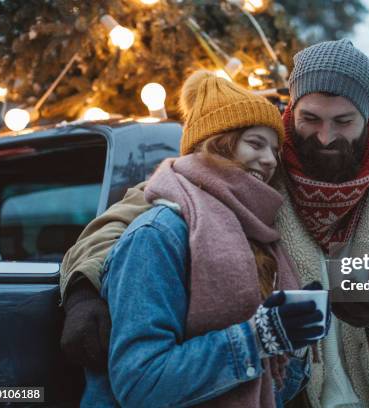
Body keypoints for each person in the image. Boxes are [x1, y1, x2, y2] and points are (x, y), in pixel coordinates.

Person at [61, 39, 369, 408]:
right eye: (311, 118)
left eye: (343, 121)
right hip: (281, 395)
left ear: (368, 117)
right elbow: (137, 216)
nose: (324, 137)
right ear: (292, 107)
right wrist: (83, 289)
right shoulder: (255, 160)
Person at [78, 70, 329, 407]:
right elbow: (141, 384)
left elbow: (268, 389)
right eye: (255, 143)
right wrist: (258, 338)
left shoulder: (256, 235)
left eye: (274, 150)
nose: (270, 160)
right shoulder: (158, 234)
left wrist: (293, 346)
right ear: (218, 143)